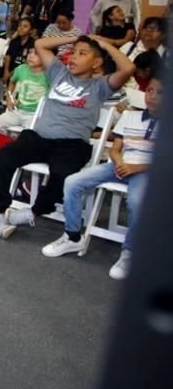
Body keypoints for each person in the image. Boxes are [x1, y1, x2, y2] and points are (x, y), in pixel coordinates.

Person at [0, 34, 136, 239]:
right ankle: (1, 212)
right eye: (73, 52)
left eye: (82, 54)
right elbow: (40, 44)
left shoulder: (100, 86)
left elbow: (128, 68)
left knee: (62, 175)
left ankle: (32, 212)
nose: (74, 57)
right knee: (2, 157)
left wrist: (103, 43)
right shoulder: (58, 73)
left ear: (97, 62)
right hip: (39, 138)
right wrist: (78, 37)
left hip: (71, 146)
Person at [41, 71, 163, 280]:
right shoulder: (130, 116)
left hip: (146, 171)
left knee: (137, 202)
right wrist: (120, 162)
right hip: (120, 164)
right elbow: (116, 148)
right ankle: (72, 236)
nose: (152, 96)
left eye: (160, 92)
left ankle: (130, 251)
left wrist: (136, 168)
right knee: (73, 182)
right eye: (149, 90)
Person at [0, 47, 50, 135]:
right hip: (17, 110)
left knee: (30, 134)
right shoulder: (21, 69)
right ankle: (9, 141)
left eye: (36, 54)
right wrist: (9, 98)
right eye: (30, 52)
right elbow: (12, 82)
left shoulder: (50, 74)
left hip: (35, 115)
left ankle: (18, 142)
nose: (30, 56)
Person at [0, 17, 36, 100]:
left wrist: (11, 73)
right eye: (20, 26)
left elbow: (26, 63)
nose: (21, 28)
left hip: (22, 70)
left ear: (31, 30)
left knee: (12, 79)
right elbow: (8, 56)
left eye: (25, 26)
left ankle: (10, 100)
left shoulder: (32, 44)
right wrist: (6, 71)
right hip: (9, 67)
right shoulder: (15, 41)